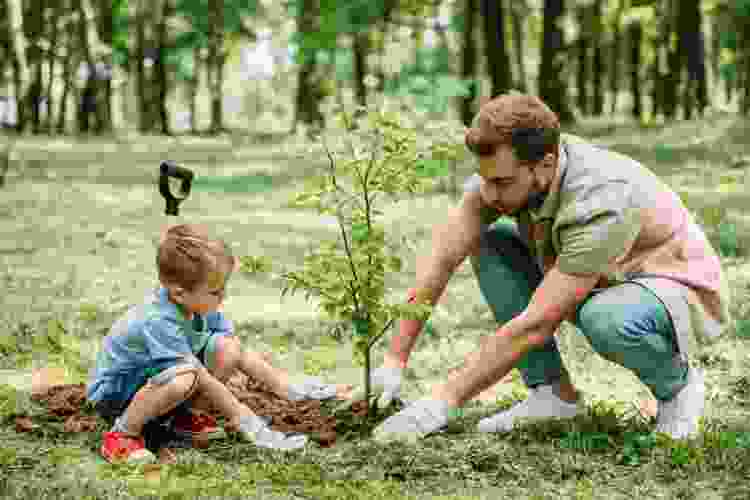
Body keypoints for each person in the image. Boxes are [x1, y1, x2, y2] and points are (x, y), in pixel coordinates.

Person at [350, 93, 732, 444]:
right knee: (487, 241)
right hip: (600, 276)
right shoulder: (504, 176)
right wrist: (394, 359)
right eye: (485, 179)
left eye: (501, 182)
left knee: (607, 319)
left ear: (546, 164)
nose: (490, 194)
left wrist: (439, 403)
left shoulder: (601, 198)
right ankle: (553, 395)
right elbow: (443, 258)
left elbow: (536, 324)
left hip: (669, 285)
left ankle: (678, 389)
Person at [87, 223, 353, 464]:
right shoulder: (158, 320)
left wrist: (287, 388)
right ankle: (122, 435)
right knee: (186, 376)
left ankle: (184, 419)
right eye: (215, 291)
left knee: (226, 348)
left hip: (156, 381)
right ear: (179, 293)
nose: (223, 297)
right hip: (117, 394)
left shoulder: (197, 304)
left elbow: (238, 353)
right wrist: (245, 420)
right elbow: (198, 376)